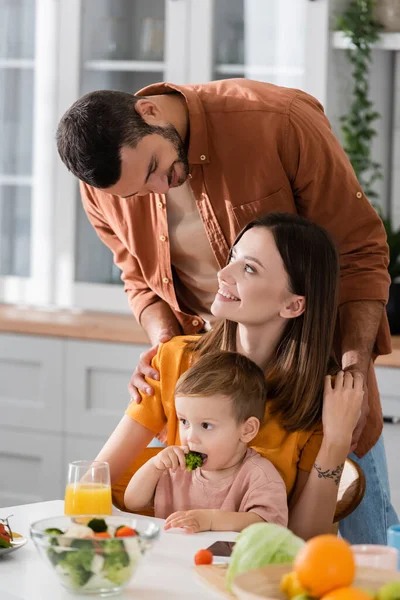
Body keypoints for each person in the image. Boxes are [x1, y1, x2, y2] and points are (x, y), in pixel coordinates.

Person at [56, 79, 393, 543]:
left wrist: (351, 376)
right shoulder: (180, 371)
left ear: (150, 111)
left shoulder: (279, 122)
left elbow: (300, 538)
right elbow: (137, 278)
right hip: (207, 366)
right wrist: (164, 349)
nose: (158, 190)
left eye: (156, 167)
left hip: (317, 377)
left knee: (368, 554)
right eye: (137, 193)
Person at [93, 213, 365, 541]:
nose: (223, 274)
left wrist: (336, 440)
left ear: (293, 305)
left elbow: (303, 538)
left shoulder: (317, 399)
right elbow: (97, 481)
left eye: (249, 268)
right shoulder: (175, 359)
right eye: (232, 257)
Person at [125, 350, 288, 532]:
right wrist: (155, 466)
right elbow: (132, 502)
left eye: (206, 425)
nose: (190, 437)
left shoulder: (259, 477)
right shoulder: (175, 467)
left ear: (247, 430)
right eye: (184, 422)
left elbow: (268, 526)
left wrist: (210, 520)